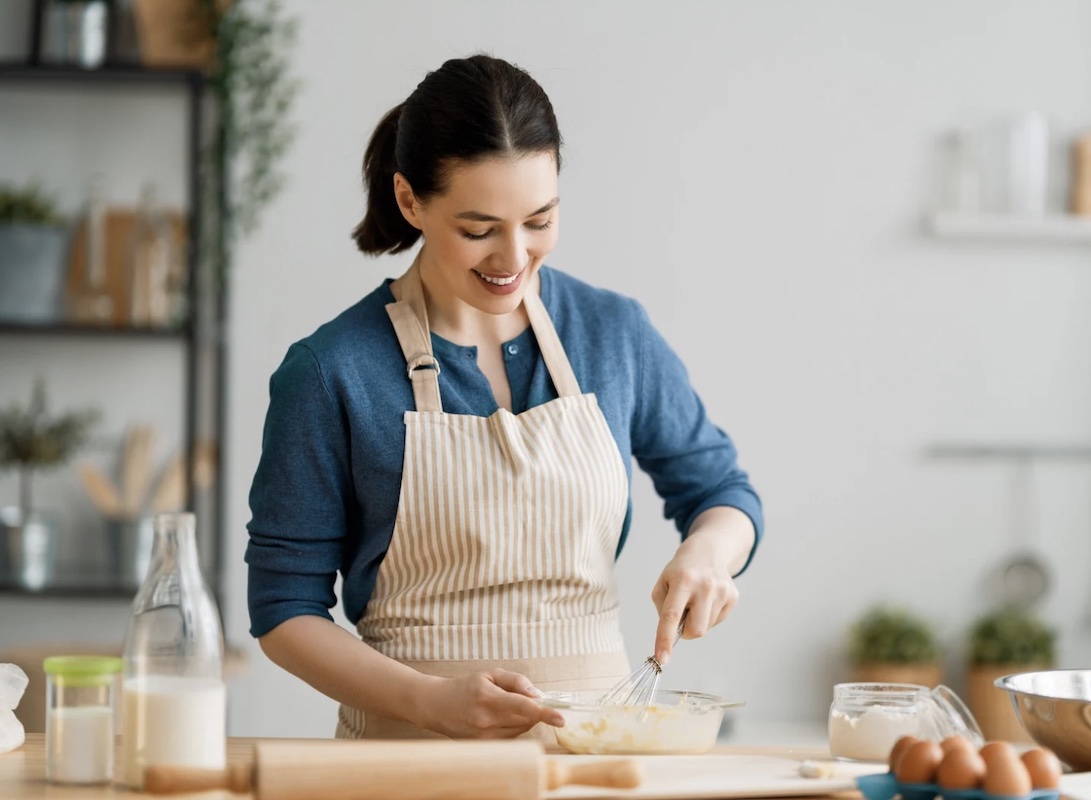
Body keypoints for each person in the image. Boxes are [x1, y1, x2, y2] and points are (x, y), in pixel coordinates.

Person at [245, 53, 763, 741]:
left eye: (540, 221)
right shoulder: (329, 371)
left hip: (592, 767)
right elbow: (285, 610)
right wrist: (429, 701)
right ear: (409, 201)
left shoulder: (613, 333)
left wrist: (708, 554)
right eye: (479, 229)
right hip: (406, 765)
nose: (513, 257)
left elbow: (722, 491)